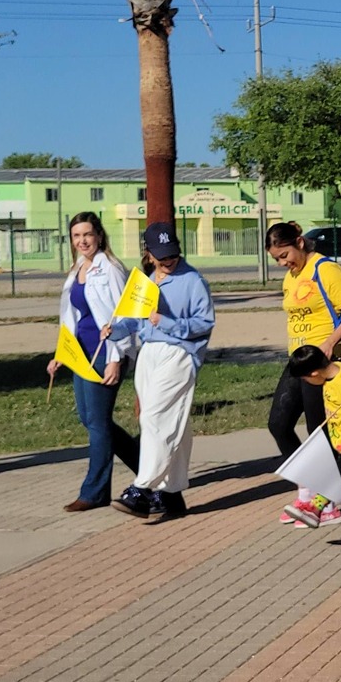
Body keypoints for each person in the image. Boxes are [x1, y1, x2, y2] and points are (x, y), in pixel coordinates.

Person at [106, 222, 215, 525]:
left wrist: (167, 322)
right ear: (148, 253)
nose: (168, 261)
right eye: (162, 256)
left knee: (155, 416)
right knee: (172, 422)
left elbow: (204, 323)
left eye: (172, 255)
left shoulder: (193, 280)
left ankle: (142, 488)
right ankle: (172, 494)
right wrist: (114, 329)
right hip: (149, 354)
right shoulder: (143, 282)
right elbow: (132, 320)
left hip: (180, 353)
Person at [268, 222, 341, 526]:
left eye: (285, 255)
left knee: (319, 433)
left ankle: (328, 501)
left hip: (323, 362)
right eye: (277, 260)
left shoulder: (325, 269)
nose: (283, 263)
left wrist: (330, 342)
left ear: (299, 242)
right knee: (278, 424)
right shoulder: (292, 276)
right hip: (298, 361)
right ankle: (308, 486)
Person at [51, 212, 140, 512]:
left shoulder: (110, 269)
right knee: (89, 420)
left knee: (98, 425)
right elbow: (71, 317)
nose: (82, 241)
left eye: (87, 234)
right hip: (80, 354)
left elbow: (123, 316)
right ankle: (145, 463)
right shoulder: (77, 268)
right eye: (76, 236)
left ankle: (94, 492)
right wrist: (61, 355)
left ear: (99, 235)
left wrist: (116, 358)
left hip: (104, 353)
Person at [286, 344, 341, 528]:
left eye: (305, 379)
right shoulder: (335, 373)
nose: (306, 383)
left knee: (334, 476)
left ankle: (315, 509)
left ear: (314, 374)